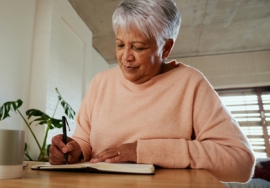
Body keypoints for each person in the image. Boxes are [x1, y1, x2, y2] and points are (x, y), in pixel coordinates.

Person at [49, 0, 255, 183]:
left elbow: (240, 163)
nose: (126, 57)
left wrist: (144, 151)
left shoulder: (191, 83)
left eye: (138, 47)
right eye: (120, 45)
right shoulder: (100, 83)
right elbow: (85, 143)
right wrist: (71, 151)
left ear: (165, 48)